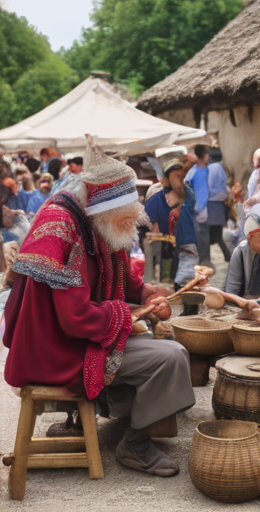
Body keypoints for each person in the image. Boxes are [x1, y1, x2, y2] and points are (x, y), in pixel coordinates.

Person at [3, 140, 195, 476]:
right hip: (54, 348)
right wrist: (126, 315)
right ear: (103, 211)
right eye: (123, 220)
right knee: (172, 356)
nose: (127, 226)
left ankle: (119, 414)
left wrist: (148, 293)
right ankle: (134, 444)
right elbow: (75, 319)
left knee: (159, 347)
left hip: (79, 335)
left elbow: (118, 271)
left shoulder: (100, 219)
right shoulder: (64, 228)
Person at [144, 159, 198, 285]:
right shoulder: (158, 198)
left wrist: (179, 205)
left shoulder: (188, 194)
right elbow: (145, 218)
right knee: (168, 281)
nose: (181, 180)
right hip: (166, 246)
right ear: (167, 179)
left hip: (187, 244)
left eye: (182, 176)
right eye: (177, 176)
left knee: (184, 283)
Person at [185, 145, 211, 266]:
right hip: (201, 207)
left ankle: (204, 259)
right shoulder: (204, 170)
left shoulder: (194, 170)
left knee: (203, 234)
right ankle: (204, 260)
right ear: (204, 155)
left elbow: (185, 184)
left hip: (203, 206)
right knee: (202, 235)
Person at [206, 147, 231, 262]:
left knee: (208, 235)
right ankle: (227, 257)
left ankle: (207, 259)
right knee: (217, 236)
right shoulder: (220, 168)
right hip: (218, 207)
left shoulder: (212, 168)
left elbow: (208, 187)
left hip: (212, 206)